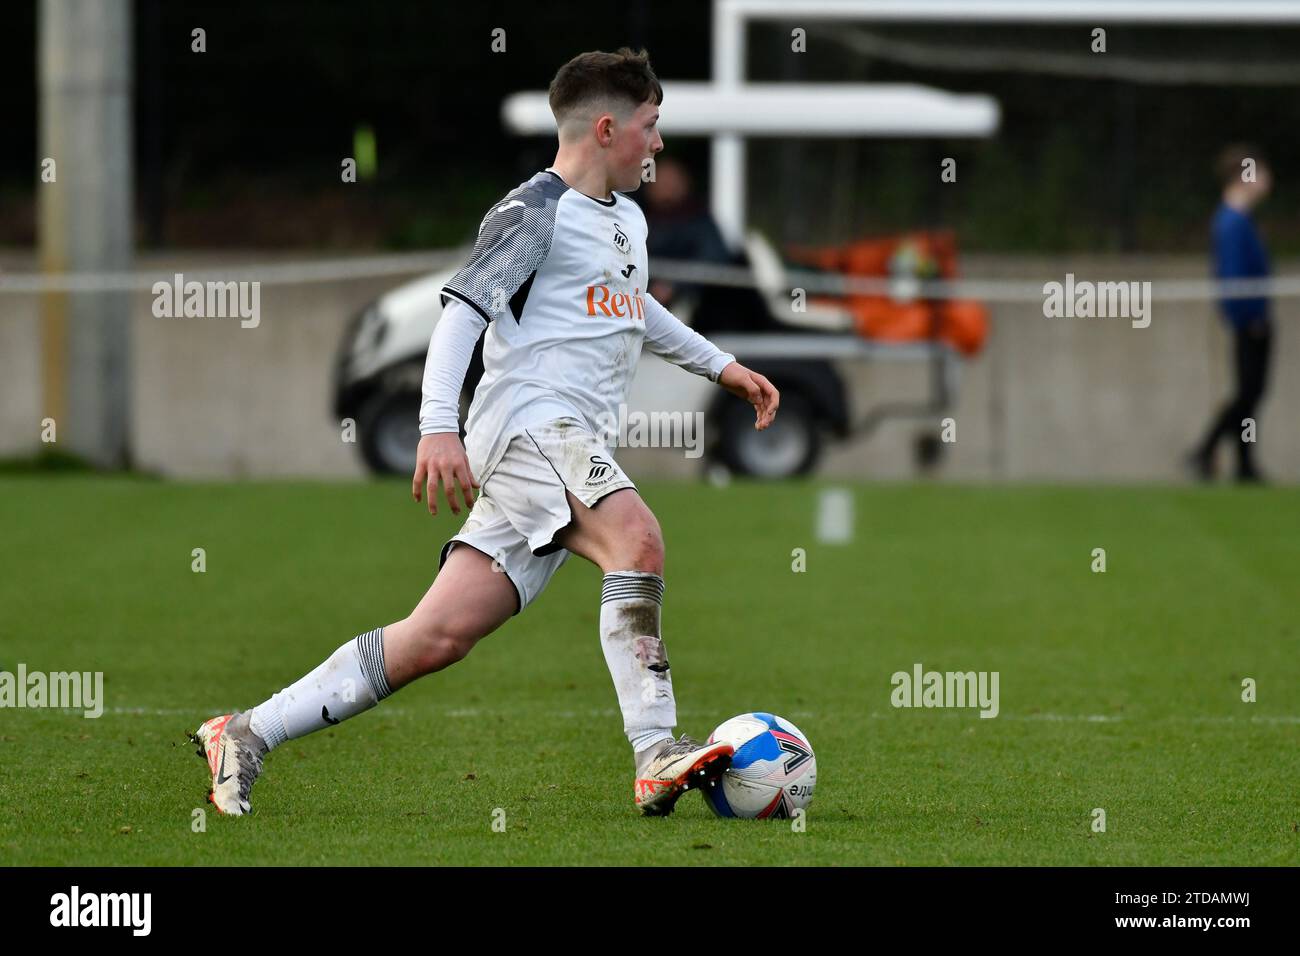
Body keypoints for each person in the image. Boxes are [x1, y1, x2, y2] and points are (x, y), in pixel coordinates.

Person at [189, 48, 780, 817]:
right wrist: (438, 425)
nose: (659, 145)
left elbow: (636, 308)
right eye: (652, 126)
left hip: (562, 449)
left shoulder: (625, 217)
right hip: (532, 429)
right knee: (636, 541)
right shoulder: (533, 211)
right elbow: (462, 312)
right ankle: (656, 752)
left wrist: (721, 365)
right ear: (608, 128)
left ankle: (245, 731)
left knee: (435, 637)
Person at [1189, 145, 1274, 483]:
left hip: (1254, 318)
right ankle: (1208, 450)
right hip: (1249, 320)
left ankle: (1242, 461)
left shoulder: (1241, 221)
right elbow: (1234, 276)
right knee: (1248, 393)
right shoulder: (1232, 222)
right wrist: (1248, 317)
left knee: (1251, 393)